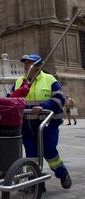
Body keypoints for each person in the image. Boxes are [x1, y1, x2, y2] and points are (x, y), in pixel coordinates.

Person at [10, 54, 72, 189]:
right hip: (27, 125)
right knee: (32, 155)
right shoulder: (19, 82)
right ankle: (36, 184)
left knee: (49, 152)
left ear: (38, 65)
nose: (26, 66)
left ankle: (63, 174)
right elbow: (9, 99)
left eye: (29, 63)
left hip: (47, 124)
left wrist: (44, 106)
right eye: (25, 63)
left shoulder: (49, 80)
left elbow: (60, 99)